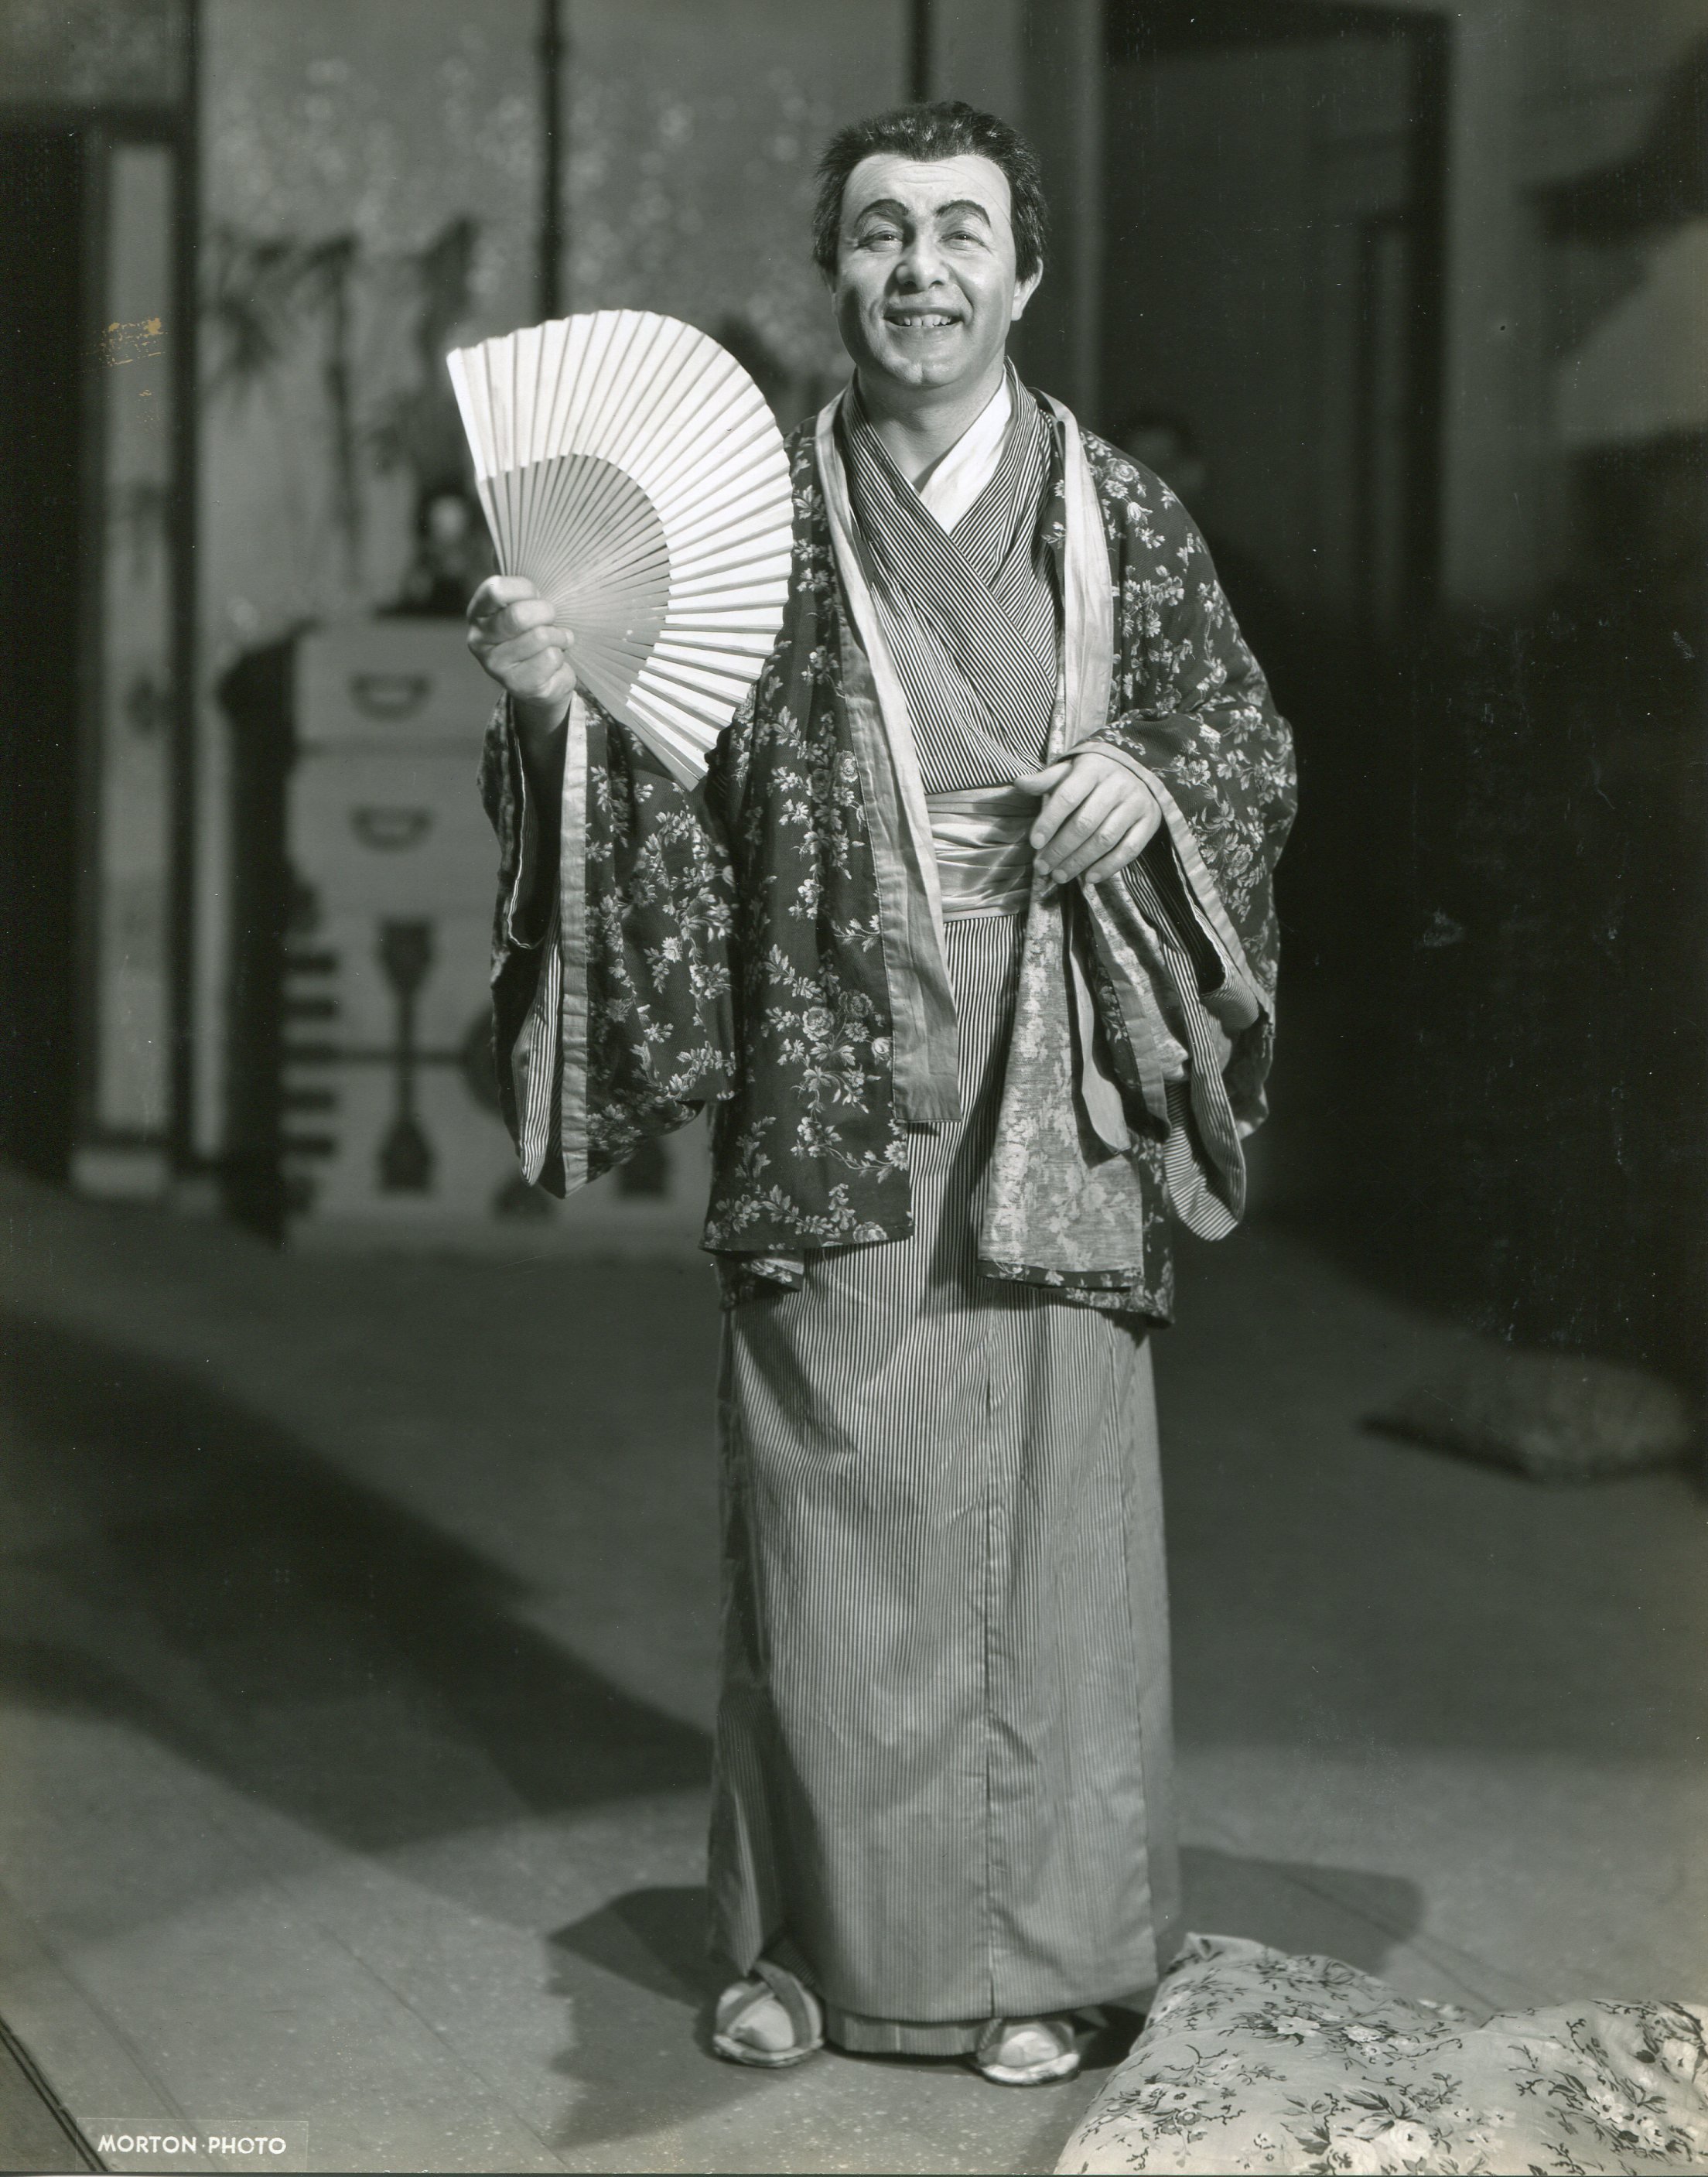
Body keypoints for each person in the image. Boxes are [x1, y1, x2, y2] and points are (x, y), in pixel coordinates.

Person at [467, 101, 1295, 2086]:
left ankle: (1055, 1961)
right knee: (820, 1503)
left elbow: (1241, 732)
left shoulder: (1118, 514)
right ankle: (796, 1949)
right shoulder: (757, 529)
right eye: (878, 233)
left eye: (959, 232)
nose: (919, 267)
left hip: (1062, 1045)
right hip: (840, 1040)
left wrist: (1153, 781)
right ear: (835, 272)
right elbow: (669, 800)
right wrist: (550, 702)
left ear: (1025, 274)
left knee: (1056, 1524)